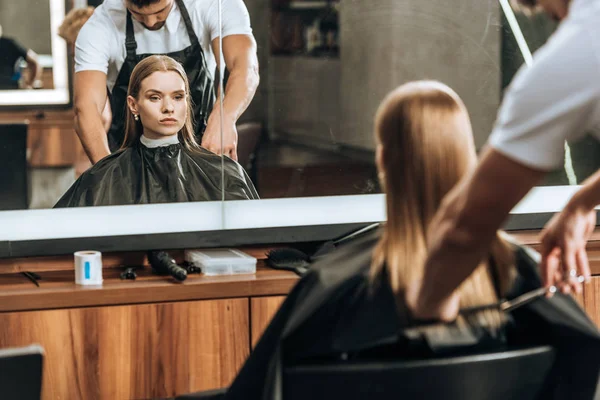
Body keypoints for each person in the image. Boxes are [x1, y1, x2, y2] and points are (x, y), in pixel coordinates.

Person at [191, 81, 599, 400]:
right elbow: (583, 362)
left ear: (384, 160)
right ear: (468, 155)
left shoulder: (334, 285)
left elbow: (256, 391)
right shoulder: (517, 272)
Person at [408, 0, 600, 322]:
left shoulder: (577, 51)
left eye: (545, 11)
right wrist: (582, 202)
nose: (553, 20)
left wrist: (422, 311)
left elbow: (465, 229)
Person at [55, 55, 258, 208]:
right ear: (133, 105)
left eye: (178, 97)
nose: (168, 107)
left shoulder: (224, 174)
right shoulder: (104, 177)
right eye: (155, 97)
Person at [73, 0, 259, 163]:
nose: (150, 22)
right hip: (129, 159)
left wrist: (224, 118)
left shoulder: (212, 4)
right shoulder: (101, 25)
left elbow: (245, 69)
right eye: (137, 14)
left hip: (201, 150)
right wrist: (106, 171)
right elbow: (86, 107)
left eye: (159, 12)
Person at [0, 24, 41, 90]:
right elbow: (34, 61)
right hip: (11, 86)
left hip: (11, 86)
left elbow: (34, 61)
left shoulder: (10, 44)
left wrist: (30, 83)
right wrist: (30, 83)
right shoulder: (11, 43)